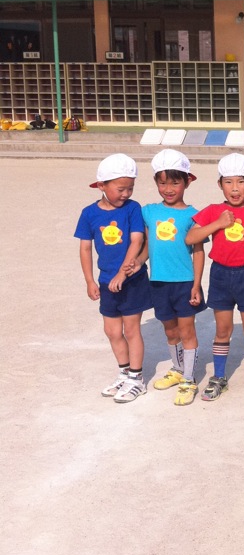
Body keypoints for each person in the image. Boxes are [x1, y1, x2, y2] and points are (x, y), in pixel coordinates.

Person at [185, 153, 244, 404]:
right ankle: (219, 377)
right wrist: (217, 224)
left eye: (241, 181)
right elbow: (191, 238)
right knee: (222, 330)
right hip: (220, 275)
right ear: (220, 184)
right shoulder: (214, 211)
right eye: (228, 182)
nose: (235, 188)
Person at [74, 153, 153, 403]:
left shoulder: (132, 208)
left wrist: (122, 272)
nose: (126, 194)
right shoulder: (89, 213)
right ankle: (124, 373)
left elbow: (137, 241)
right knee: (112, 331)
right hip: (106, 281)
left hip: (131, 280)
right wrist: (90, 280)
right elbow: (85, 248)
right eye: (121, 189)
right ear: (101, 186)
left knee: (131, 329)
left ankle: (137, 379)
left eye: (130, 188)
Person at [140, 149, 206, 406]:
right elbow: (147, 245)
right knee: (170, 330)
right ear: (156, 182)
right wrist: (137, 262)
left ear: (188, 181)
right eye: (163, 182)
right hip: (158, 282)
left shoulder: (194, 215)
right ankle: (178, 369)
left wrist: (197, 285)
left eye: (175, 182)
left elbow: (198, 252)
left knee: (187, 330)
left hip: (184, 282)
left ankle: (189, 379)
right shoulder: (148, 212)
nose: (168, 189)